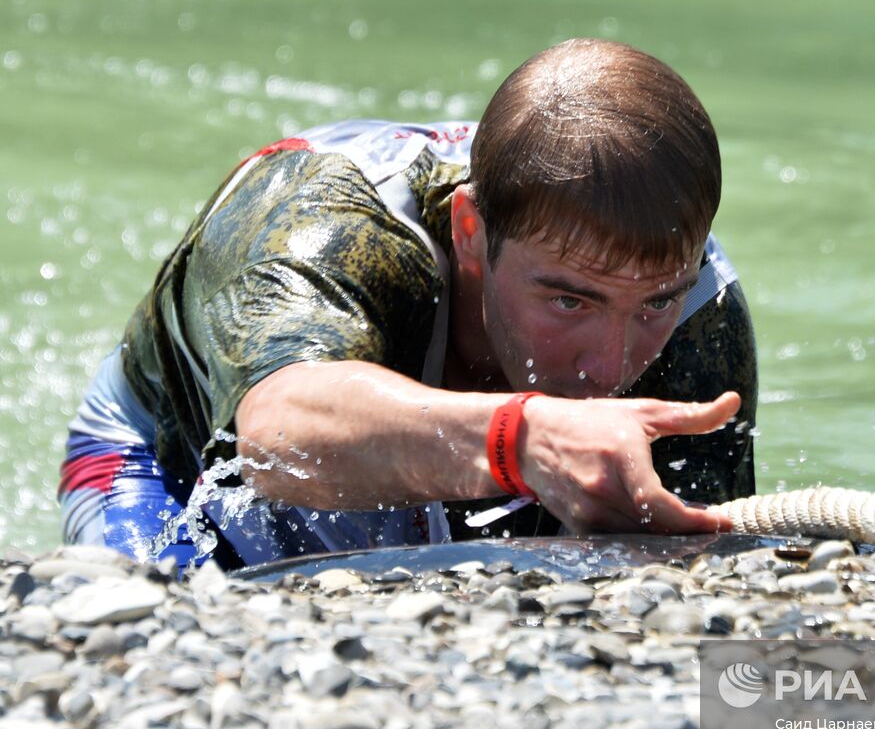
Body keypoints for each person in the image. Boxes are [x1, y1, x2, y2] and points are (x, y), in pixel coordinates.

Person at [57, 39, 758, 568]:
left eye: (653, 304)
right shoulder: (330, 226)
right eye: (571, 302)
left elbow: (704, 571)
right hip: (164, 458)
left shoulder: (700, 299)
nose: (613, 362)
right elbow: (276, 437)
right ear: (471, 231)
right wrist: (524, 439)